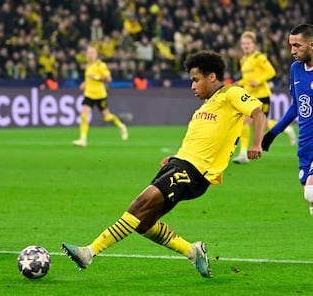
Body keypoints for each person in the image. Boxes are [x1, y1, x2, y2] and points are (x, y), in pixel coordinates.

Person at [62, 50, 266, 278]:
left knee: (138, 205)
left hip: (194, 172)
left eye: (196, 80)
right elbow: (201, 140)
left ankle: (89, 252)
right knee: (143, 223)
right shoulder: (204, 108)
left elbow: (258, 112)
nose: (192, 86)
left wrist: (256, 143)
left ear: (212, 77)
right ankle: (192, 251)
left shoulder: (231, 93)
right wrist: (174, 158)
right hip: (180, 164)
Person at [262, 24, 313, 216]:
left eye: (297, 45)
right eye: (291, 45)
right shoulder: (296, 69)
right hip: (305, 142)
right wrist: (273, 133)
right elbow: (296, 106)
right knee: (310, 202)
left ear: (312, 46)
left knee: (311, 191)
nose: (292, 50)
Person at [233, 30, 296, 164]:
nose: (245, 46)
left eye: (248, 43)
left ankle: (286, 129)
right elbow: (247, 78)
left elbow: (271, 71)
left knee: (258, 123)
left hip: (262, 95)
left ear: (254, 44)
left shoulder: (259, 57)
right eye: (243, 44)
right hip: (249, 95)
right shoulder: (244, 59)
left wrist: (259, 80)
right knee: (248, 122)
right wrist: (239, 83)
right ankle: (243, 153)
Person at [72, 46, 128, 147]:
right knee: (84, 115)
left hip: (99, 95)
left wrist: (95, 77)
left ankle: (121, 126)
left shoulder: (100, 65)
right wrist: (85, 83)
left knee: (106, 117)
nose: (89, 55)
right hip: (89, 94)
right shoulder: (88, 66)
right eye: (88, 53)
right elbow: (89, 79)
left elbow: (108, 78)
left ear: (96, 54)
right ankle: (83, 139)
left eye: (92, 52)